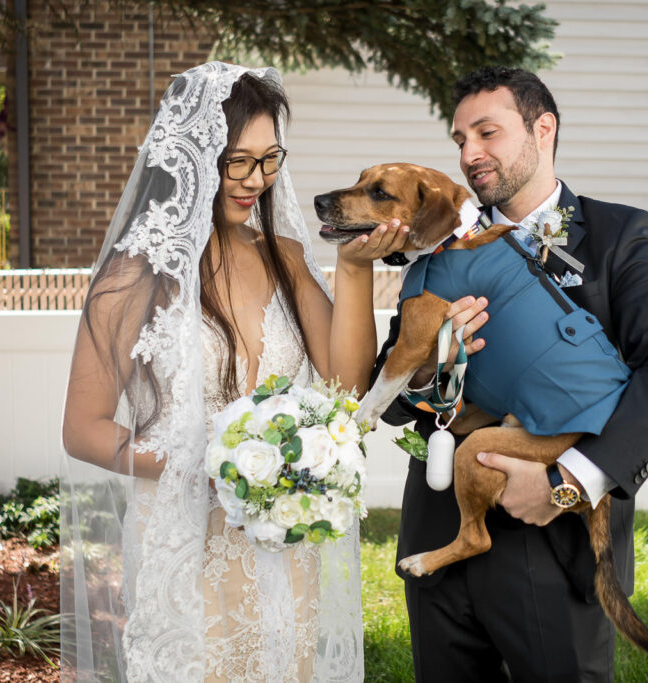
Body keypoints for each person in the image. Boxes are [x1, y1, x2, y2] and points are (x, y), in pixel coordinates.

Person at [60, 62, 408, 682]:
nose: (257, 181)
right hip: (184, 537)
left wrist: (353, 269)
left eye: (270, 160)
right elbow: (83, 430)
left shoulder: (285, 256)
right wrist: (215, 464)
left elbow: (346, 389)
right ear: (191, 158)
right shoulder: (132, 279)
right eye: (237, 162)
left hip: (281, 540)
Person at [374, 66, 648, 681]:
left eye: (488, 132)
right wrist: (432, 371)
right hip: (438, 526)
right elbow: (394, 393)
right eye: (459, 140)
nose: (470, 153)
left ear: (543, 128)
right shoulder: (444, 240)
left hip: (555, 549)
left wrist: (567, 482)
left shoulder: (619, 235)